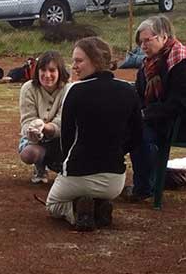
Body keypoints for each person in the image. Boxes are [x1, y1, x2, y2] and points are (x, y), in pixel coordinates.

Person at [46, 37, 141, 231]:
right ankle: (99, 206)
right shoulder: (128, 90)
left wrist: (67, 167)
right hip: (114, 181)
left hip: (77, 174)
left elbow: (67, 139)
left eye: (79, 61)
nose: (74, 66)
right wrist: (116, 152)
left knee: (53, 205)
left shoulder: (74, 91)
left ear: (96, 61)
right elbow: (137, 136)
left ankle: (76, 211)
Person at [128, 15, 186, 200]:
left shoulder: (183, 62)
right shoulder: (150, 64)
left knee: (139, 132)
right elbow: (140, 94)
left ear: (163, 37)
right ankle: (142, 180)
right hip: (166, 119)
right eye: (140, 42)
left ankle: (144, 187)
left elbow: (182, 104)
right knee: (129, 125)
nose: (142, 46)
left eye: (147, 40)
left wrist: (144, 114)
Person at [18, 51, 69, 183]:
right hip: (35, 139)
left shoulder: (69, 89)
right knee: (29, 154)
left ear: (60, 71)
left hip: (62, 139)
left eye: (52, 70)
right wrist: (33, 129)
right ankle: (40, 166)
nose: (47, 75)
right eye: (43, 70)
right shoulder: (28, 88)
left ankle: (64, 168)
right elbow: (26, 120)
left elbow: (62, 123)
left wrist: (45, 127)